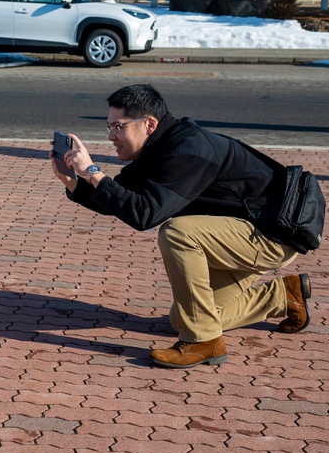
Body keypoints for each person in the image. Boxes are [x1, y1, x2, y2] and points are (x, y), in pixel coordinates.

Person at [51, 84, 312, 369]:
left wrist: (93, 171)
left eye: (118, 126)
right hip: (244, 232)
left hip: (272, 236)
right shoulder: (158, 147)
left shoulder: (188, 149)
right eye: (108, 126)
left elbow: (144, 215)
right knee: (182, 318)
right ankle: (283, 296)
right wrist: (74, 181)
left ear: (149, 124)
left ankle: (203, 342)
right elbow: (120, 199)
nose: (111, 136)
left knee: (177, 232)